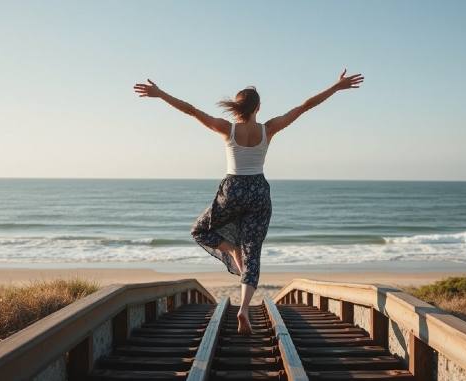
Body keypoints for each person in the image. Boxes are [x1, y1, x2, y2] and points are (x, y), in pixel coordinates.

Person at [133, 69, 364, 335]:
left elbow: (190, 110)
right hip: (258, 192)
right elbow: (305, 106)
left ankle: (231, 249)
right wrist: (336, 87)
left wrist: (160, 94)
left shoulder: (226, 128)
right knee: (253, 253)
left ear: (237, 107)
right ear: (258, 107)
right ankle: (244, 307)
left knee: (199, 230)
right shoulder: (269, 129)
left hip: (233, 189)